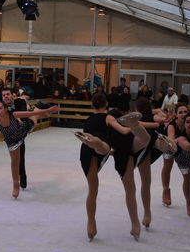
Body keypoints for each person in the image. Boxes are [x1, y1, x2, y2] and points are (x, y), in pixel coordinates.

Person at [0, 102, 59, 199]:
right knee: (15, 163)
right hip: (13, 142)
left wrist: (48, 110)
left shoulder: (13, 115)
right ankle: (16, 185)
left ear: (6, 109)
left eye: (0, 108)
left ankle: (38, 106)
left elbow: (29, 114)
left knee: (34, 115)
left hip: (24, 128)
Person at [106, 110, 151, 240]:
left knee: (131, 190)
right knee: (145, 139)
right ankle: (137, 221)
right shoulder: (112, 122)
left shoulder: (110, 122)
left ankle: (135, 223)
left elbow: (106, 145)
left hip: (127, 148)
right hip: (125, 151)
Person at [134, 98, 176, 229]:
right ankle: (166, 144)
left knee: (146, 183)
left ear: (137, 109)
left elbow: (156, 117)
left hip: (143, 148)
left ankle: (147, 212)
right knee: (146, 182)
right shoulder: (153, 115)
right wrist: (161, 120)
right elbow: (159, 117)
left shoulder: (139, 117)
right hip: (152, 144)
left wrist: (161, 119)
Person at [74, 93, 112, 241]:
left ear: (92, 105)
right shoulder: (108, 117)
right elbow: (118, 130)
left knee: (93, 190)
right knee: (102, 147)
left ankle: (91, 221)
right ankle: (96, 142)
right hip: (100, 148)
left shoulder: (88, 120)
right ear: (106, 104)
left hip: (86, 153)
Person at [161, 103, 189, 206]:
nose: (183, 114)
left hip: (182, 146)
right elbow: (171, 141)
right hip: (169, 146)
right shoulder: (172, 125)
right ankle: (165, 190)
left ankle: (188, 199)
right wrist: (181, 140)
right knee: (167, 166)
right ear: (176, 115)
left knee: (187, 170)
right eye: (180, 112)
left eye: (185, 112)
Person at [1, 87, 29, 189]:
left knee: (20, 155)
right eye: (3, 95)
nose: (6, 97)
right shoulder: (1, 106)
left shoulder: (20, 102)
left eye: (7, 94)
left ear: (13, 95)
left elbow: (23, 116)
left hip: (21, 130)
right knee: (14, 157)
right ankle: (18, 175)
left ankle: (22, 175)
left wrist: (15, 117)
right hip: (9, 133)